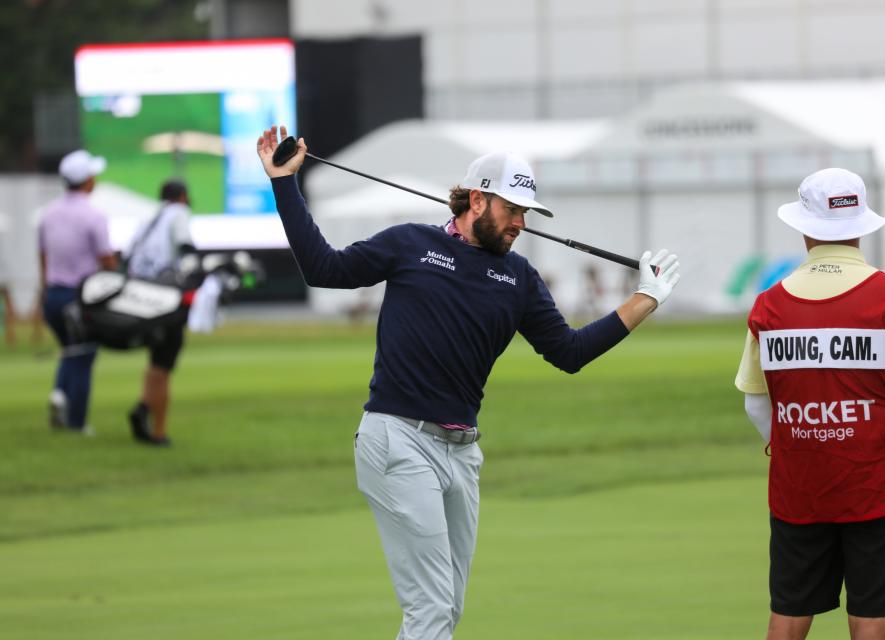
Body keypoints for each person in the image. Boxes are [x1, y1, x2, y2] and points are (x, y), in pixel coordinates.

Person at [257, 124, 681, 640]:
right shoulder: (410, 244)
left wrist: (644, 300)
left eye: (526, 215)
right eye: (512, 210)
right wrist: (284, 182)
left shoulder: (519, 278)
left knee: (446, 608)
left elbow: (568, 353)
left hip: (462, 453)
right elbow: (324, 268)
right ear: (477, 200)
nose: (520, 224)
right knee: (431, 610)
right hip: (398, 439)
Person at [735, 168, 885, 640]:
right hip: (877, 477)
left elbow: (755, 404)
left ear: (805, 227)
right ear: (861, 225)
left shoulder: (769, 303)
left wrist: (798, 445)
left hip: (799, 481)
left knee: (790, 609)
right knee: (871, 611)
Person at [39, 149, 118, 434]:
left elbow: (43, 256)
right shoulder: (93, 215)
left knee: (70, 352)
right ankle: (77, 422)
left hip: (53, 296)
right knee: (84, 356)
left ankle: (60, 393)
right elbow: (106, 258)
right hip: (80, 298)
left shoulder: (48, 214)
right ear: (86, 181)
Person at [125, 178, 196, 447]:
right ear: (182, 196)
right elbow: (186, 248)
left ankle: (143, 407)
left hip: (140, 296)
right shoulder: (178, 213)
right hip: (165, 297)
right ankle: (159, 431)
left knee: (156, 361)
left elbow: (129, 256)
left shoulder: (148, 218)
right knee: (164, 363)